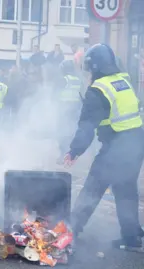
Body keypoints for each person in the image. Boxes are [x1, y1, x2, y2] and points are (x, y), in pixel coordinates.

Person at [64, 43, 144, 251]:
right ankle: (132, 237)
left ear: (95, 67)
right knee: (126, 190)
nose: (88, 73)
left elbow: (87, 126)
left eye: (89, 68)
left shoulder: (98, 90)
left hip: (116, 147)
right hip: (136, 144)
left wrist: (74, 151)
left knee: (93, 185)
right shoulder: (123, 80)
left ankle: (70, 230)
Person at [54, 60, 82, 161]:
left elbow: (55, 93)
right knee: (71, 132)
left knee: (61, 132)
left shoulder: (64, 80)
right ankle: (71, 153)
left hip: (64, 109)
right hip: (74, 109)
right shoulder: (78, 80)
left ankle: (63, 155)